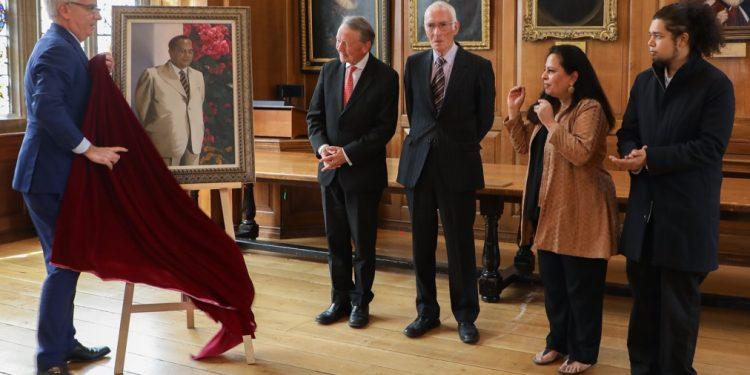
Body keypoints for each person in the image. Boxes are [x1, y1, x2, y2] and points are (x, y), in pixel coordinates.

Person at [609, 1, 735, 373]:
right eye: (649, 34)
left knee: (678, 313)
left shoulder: (715, 85)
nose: (648, 42)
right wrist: (631, 153)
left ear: (683, 40)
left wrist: (651, 159)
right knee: (644, 306)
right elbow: (628, 131)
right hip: (644, 214)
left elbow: (710, 147)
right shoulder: (644, 81)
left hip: (685, 217)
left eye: (656, 36)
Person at [12, 1, 128, 374]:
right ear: (65, 9)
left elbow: (69, 97)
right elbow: (46, 107)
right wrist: (88, 149)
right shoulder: (56, 49)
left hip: (52, 175)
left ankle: (64, 343)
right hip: (46, 176)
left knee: (67, 261)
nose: (98, 15)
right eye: (92, 8)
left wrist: (96, 69)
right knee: (64, 264)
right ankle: (49, 359)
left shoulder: (66, 46)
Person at [505, 45, 618, 374]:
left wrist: (552, 124)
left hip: (581, 212)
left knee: (581, 289)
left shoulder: (589, 109)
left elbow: (581, 154)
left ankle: (584, 352)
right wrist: (514, 113)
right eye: (545, 69)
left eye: (552, 70)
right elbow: (525, 148)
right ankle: (558, 343)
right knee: (554, 287)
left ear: (573, 77)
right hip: (550, 211)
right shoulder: (549, 110)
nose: (544, 76)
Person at [396, 1, 495, 344]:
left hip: (458, 166)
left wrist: (454, 146)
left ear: (455, 27)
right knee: (421, 244)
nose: (435, 33)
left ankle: (466, 316)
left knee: (460, 245)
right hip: (418, 166)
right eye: (429, 27)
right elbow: (416, 113)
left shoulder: (478, 66)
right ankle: (427, 312)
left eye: (441, 25)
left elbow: (483, 120)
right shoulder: (413, 64)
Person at [307, 16, 399, 328]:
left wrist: (346, 154)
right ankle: (339, 300)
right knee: (335, 243)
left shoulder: (386, 77)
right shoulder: (330, 70)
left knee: (363, 245)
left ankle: (361, 302)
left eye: (345, 42)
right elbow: (314, 118)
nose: (338, 46)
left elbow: (384, 129)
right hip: (329, 172)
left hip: (362, 174)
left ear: (365, 45)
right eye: (337, 40)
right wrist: (323, 149)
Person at [134, 35, 205, 166]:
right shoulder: (152, 75)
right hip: (165, 144)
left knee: (191, 186)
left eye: (190, 51)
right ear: (171, 52)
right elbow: (141, 113)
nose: (187, 55)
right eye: (182, 51)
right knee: (163, 185)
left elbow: (198, 104)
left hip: (193, 145)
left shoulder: (198, 76)